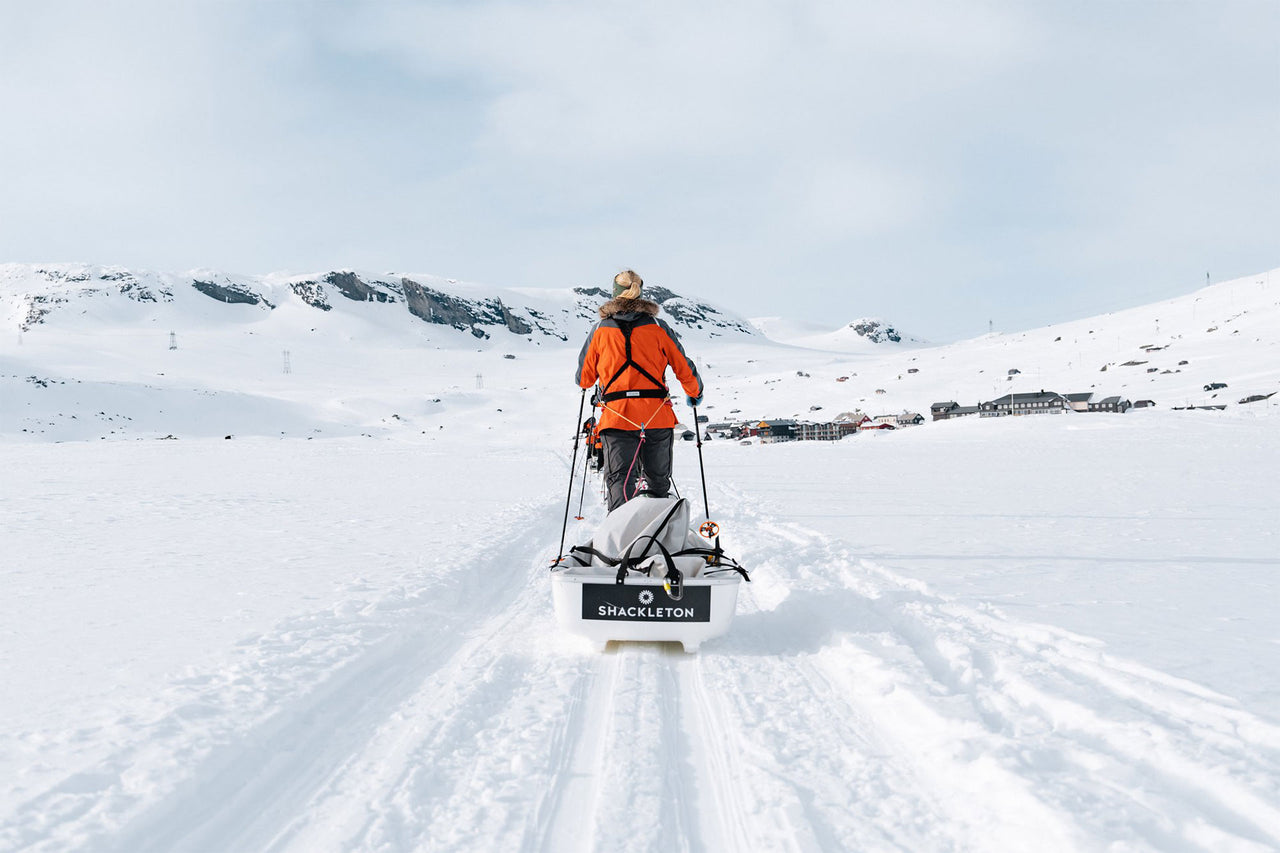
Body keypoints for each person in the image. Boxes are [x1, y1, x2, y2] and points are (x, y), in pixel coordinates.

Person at [575, 270, 704, 511]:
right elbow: (683, 367)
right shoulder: (658, 326)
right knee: (658, 481)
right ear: (640, 294)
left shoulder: (600, 329)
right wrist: (694, 392)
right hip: (656, 417)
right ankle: (658, 533)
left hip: (617, 418)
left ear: (614, 294)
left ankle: (622, 536)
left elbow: (584, 379)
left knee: (620, 481)